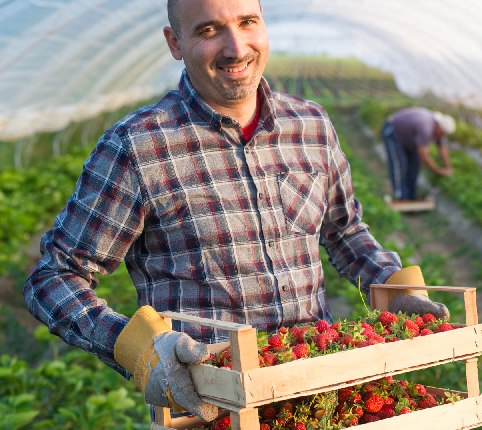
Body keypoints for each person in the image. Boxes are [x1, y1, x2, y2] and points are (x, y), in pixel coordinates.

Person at [23, 0, 448, 422]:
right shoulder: (137, 147)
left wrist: (395, 285)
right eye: (209, 30)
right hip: (212, 411)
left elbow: (344, 230)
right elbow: (55, 277)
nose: (236, 48)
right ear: (175, 43)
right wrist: (140, 349)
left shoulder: (311, 126)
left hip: (321, 400)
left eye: (247, 23)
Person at [382, 107, 456, 201]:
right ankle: (401, 196)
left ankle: (411, 196)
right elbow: (424, 157)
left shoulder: (439, 131)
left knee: (414, 166)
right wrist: (437, 171)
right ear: (439, 126)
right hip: (393, 132)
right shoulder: (425, 127)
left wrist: (448, 167)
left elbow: (443, 149)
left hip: (409, 139)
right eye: (443, 133)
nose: (442, 136)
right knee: (399, 164)